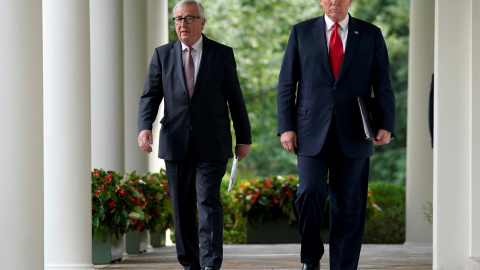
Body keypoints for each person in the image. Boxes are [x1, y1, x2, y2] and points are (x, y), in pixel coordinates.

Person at [276, 0, 396, 269]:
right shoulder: (301, 32)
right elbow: (286, 83)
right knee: (309, 193)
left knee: (349, 206)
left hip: (355, 131)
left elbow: (383, 83)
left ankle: (343, 266)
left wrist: (387, 124)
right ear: (321, 0)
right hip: (309, 132)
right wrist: (286, 126)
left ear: (350, 0)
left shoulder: (370, 34)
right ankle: (310, 257)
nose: (334, 2)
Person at [137, 1, 252, 269]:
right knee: (182, 207)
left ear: (202, 22)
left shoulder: (222, 54)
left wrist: (243, 138)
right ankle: (190, 263)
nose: (182, 24)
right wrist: (145, 127)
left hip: (213, 143)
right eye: (177, 19)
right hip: (175, 142)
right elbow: (150, 96)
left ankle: (210, 264)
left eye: (189, 18)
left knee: (208, 202)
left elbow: (236, 99)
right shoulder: (162, 55)